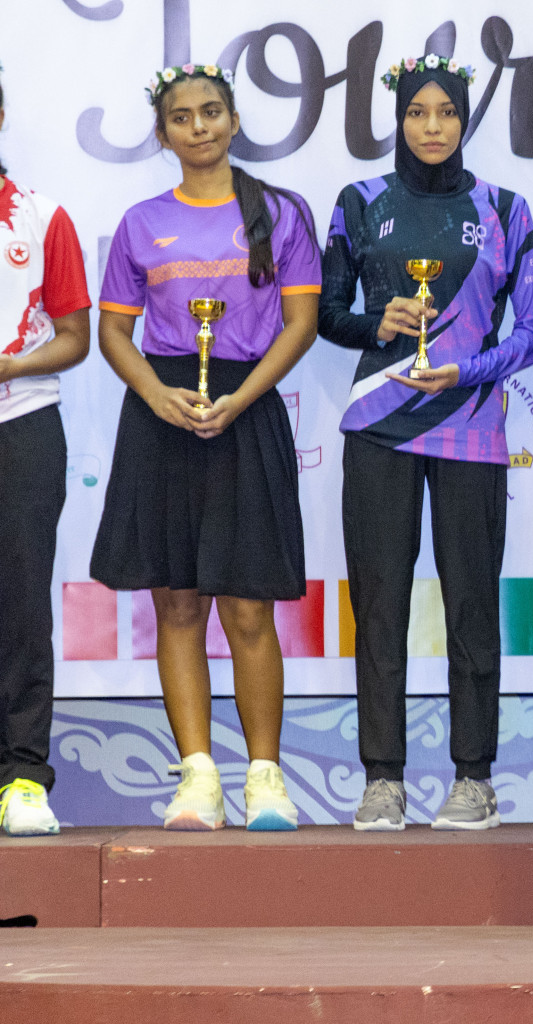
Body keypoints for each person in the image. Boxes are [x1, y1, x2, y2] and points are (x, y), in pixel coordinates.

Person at [318, 54, 533, 831]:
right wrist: (374, 323)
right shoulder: (360, 201)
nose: (431, 127)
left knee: (472, 607)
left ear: (464, 118)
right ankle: (383, 777)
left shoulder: (506, 208)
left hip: (473, 429)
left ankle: (473, 778)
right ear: (399, 119)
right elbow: (325, 312)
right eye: (418, 113)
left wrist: (468, 370)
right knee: (379, 607)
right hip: (377, 428)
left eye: (445, 113)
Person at [91, 63, 320, 831]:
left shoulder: (282, 215)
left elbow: (300, 324)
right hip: (163, 414)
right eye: (183, 118)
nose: (200, 127)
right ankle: (198, 778)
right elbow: (114, 333)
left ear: (233, 120)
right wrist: (156, 396)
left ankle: (265, 778)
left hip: (243, 410)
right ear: (163, 136)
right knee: (178, 602)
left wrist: (240, 400)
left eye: (212, 112)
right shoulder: (139, 222)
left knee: (249, 606)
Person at [0, 64, 92, 836]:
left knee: (22, 600)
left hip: (21, 423)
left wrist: (11, 366)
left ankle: (23, 775)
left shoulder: (41, 217)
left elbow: (74, 338)